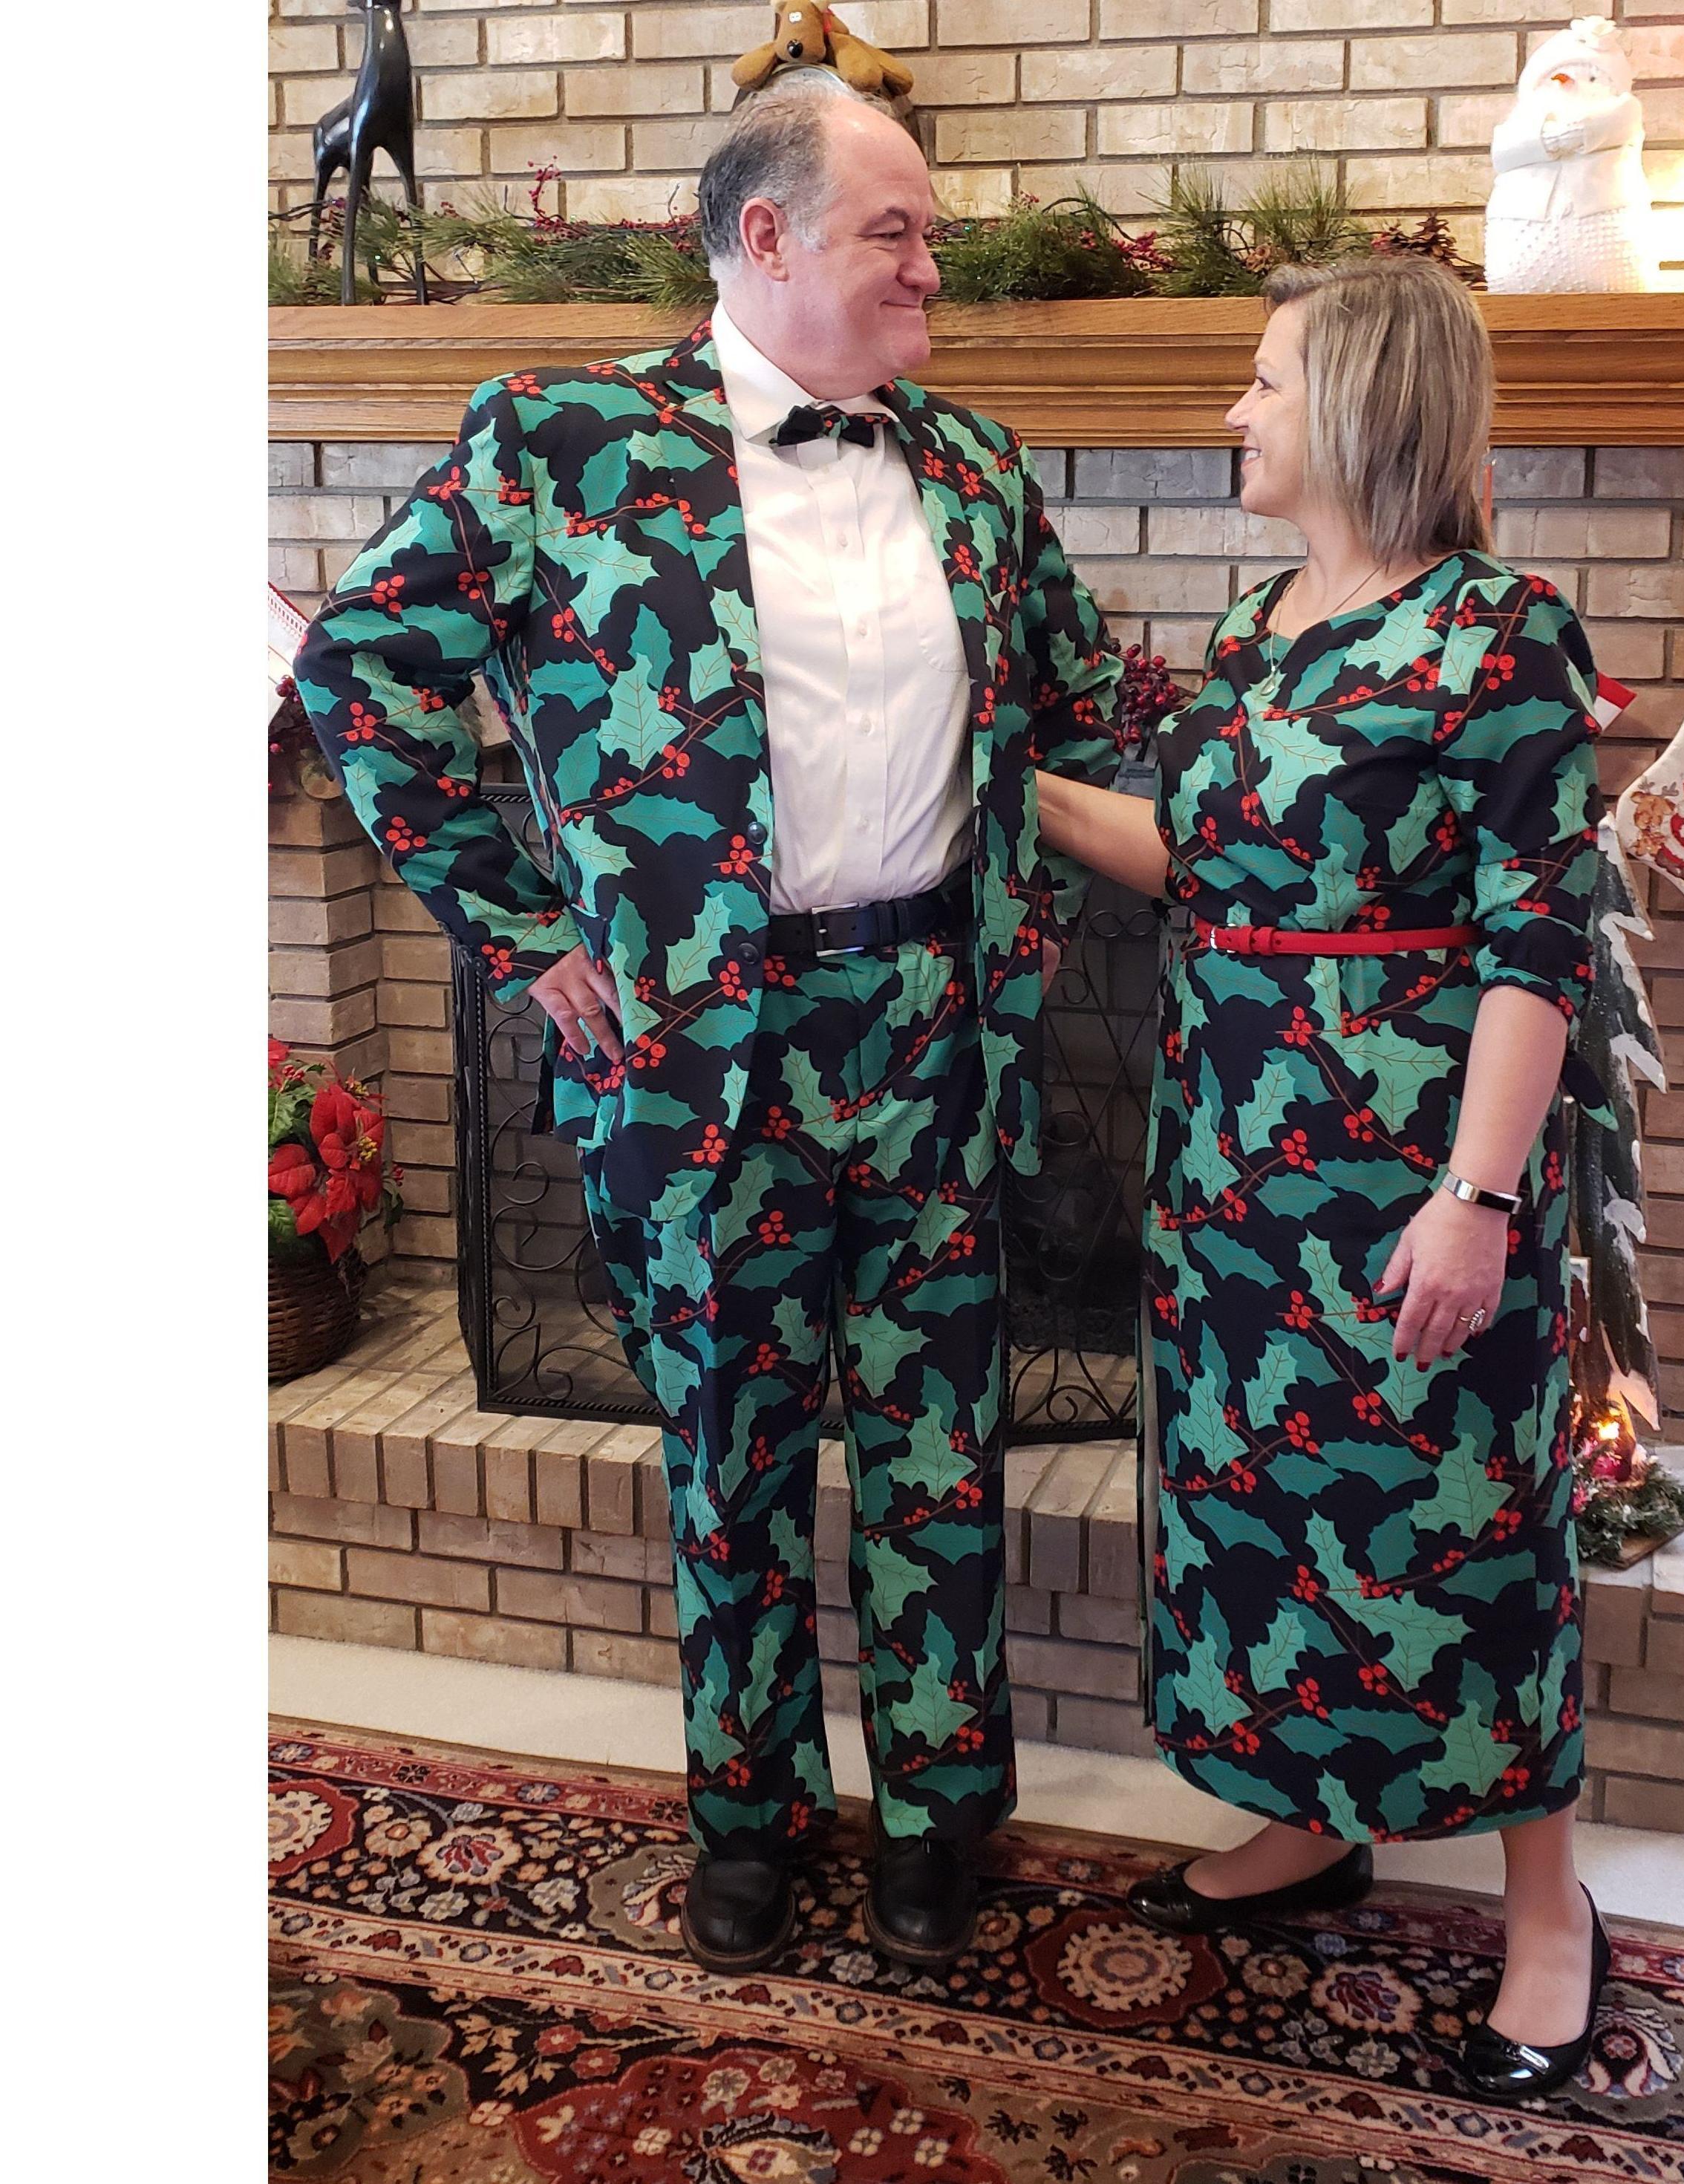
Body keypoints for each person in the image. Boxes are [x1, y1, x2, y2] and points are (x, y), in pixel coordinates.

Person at [294, 73, 1120, 1976]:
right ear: (765, 237)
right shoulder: (561, 440)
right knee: (731, 1458)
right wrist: (519, 928)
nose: (933, 266)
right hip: (691, 1060)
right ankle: (747, 1816)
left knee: (936, 1454)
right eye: (896, 232)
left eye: (928, 235)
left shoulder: (978, 468)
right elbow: (362, 666)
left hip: (933, 1032)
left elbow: (1079, 707)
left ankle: (937, 1815)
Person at [1034, 256, 1613, 2098]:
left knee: (1467, 1522)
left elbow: (1537, 941)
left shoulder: (1501, 634)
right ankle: (1306, 1817)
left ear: (1360, 402)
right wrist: (1001, 770)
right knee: (1259, 1512)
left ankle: (1548, 1908)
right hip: (1229, 1174)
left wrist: (1479, 1198)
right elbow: (1194, 863)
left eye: (1264, 380)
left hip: (1412, 1176)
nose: (1234, 411)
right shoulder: (1256, 624)